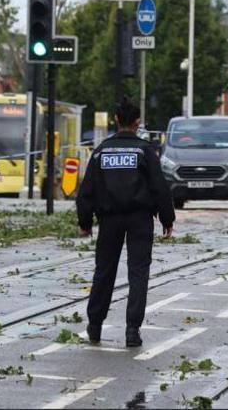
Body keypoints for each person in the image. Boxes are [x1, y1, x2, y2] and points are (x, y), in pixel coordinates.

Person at [76, 99, 175, 348]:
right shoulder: (145, 151)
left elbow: (86, 190)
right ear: (138, 122)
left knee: (104, 272)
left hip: (109, 220)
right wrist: (167, 218)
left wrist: (85, 222)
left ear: (116, 120)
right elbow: (159, 186)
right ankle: (132, 330)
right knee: (138, 273)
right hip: (140, 219)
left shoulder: (101, 151)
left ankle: (95, 325)